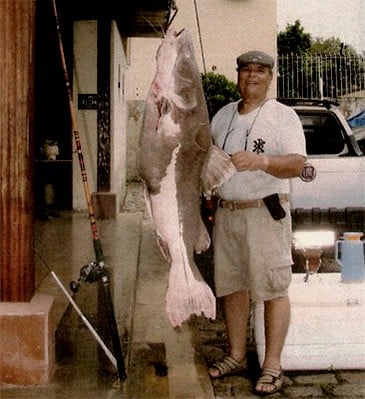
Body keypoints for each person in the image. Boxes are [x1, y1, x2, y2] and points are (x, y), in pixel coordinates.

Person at [207, 51, 306, 396]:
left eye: (260, 71)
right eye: (246, 70)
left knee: (272, 288)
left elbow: (296, 164)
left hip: (265, 213)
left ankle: (272, 365)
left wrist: (261, 160)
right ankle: (236, 355)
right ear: (238, 75)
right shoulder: (222, 116)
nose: (252, 76)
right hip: (227, 213)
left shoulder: (283, 116)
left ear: (270, 77)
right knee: (232, 286)